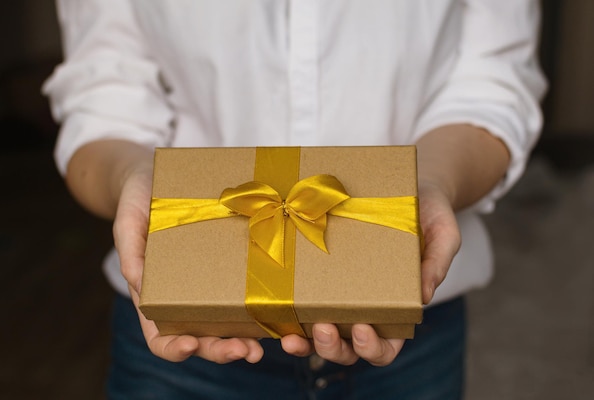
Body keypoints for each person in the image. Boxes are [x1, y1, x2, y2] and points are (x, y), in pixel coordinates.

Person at [43, 1, 546, 399]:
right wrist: (134, 174)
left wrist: (431, 184)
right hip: (178, 329)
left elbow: (493, 80)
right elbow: (103, 94)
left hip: (412, 319)